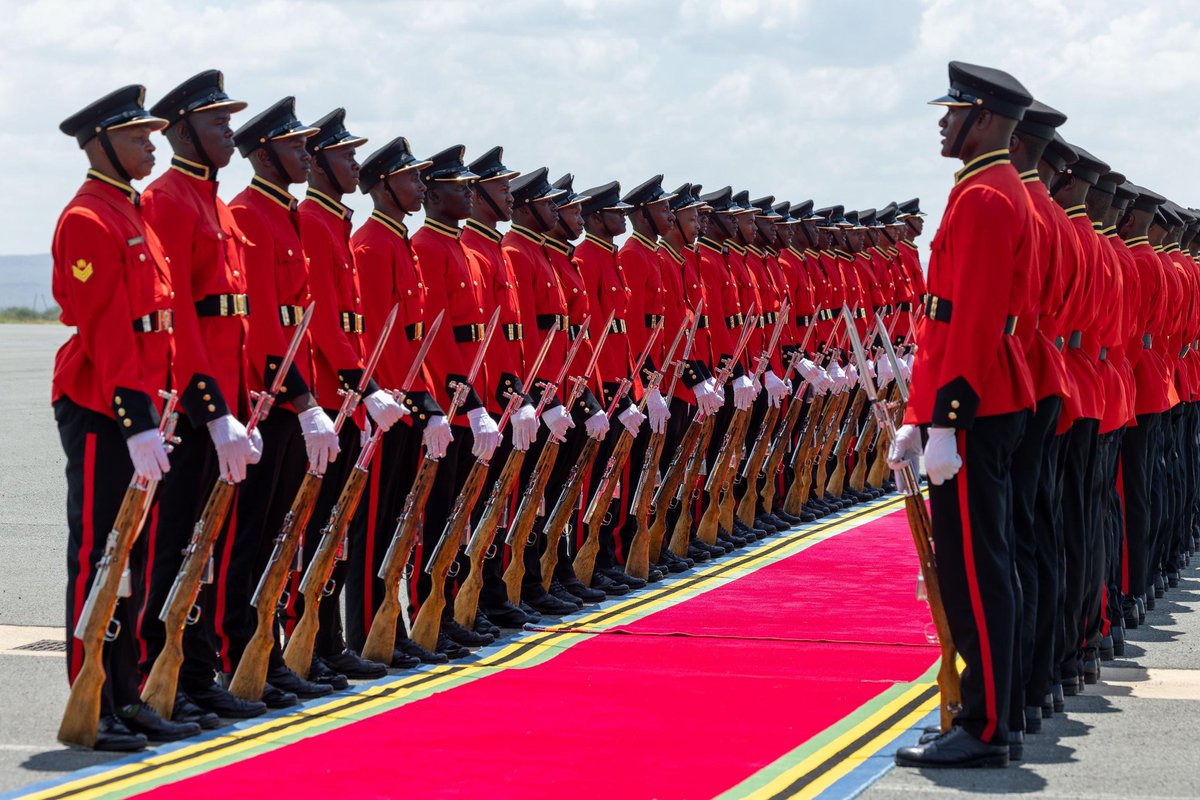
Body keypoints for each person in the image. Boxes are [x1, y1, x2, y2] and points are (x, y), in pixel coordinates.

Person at [891, 61, 1037, 768]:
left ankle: (983, 727)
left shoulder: (985, 197)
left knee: (975, 571)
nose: (943, 124)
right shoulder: (985, 189)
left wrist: (947, 419)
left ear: (983, 118)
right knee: (974, 565)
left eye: (953, 112)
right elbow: (945, 319)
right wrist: (921, 414)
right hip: (973, 400)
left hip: (976, 405)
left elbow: (974, 318)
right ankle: (990, 716)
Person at [54, 84, 199, 749]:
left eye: (151, 135)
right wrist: (135, 418)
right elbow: (107, 330)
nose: (150, 145)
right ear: (100, 144)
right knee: (99, 552)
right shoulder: (88, 218)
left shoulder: (133, 211)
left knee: (132, 554)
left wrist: (161, 406)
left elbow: (162, 326)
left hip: (143, 404)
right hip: (100, 406)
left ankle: (126, 691)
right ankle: (93, 699)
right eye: (137, 136)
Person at [139, 70, 274, 718]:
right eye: (217, 122)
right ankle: (158, 673)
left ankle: (195, 671)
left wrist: (243, 408)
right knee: (170, 547)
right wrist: (213, 411)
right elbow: (181, 320)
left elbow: (237, 323)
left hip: (223, 401)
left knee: (204, 546)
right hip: (188, 406)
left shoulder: (215, 203)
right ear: (182, 130)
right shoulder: (166, 199)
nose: (229, 132)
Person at [293, 108, 405, 684]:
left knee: (335, 530)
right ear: (318, 163)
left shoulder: (334, 223)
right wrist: (362, 387)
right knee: (314, 531)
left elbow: (355, 327)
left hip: (348, 398)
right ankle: (307, 639)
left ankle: (327, 638)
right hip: (323, 396)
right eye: (345, 155)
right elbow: (319, 324)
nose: (354, 164)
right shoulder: (313, 222)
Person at [346, 135, 451, 666]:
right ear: (384, 185)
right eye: (410, 178)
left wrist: (428, 403)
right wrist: (380, 397)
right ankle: (369, 628)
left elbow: (414, 341)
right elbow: (370, 340)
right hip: (385, 407)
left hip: (408, 402)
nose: (419, 186)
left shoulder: (399, 244)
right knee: (373, 526)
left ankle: (393, 621)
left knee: (398, 524)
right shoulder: (370, 246)